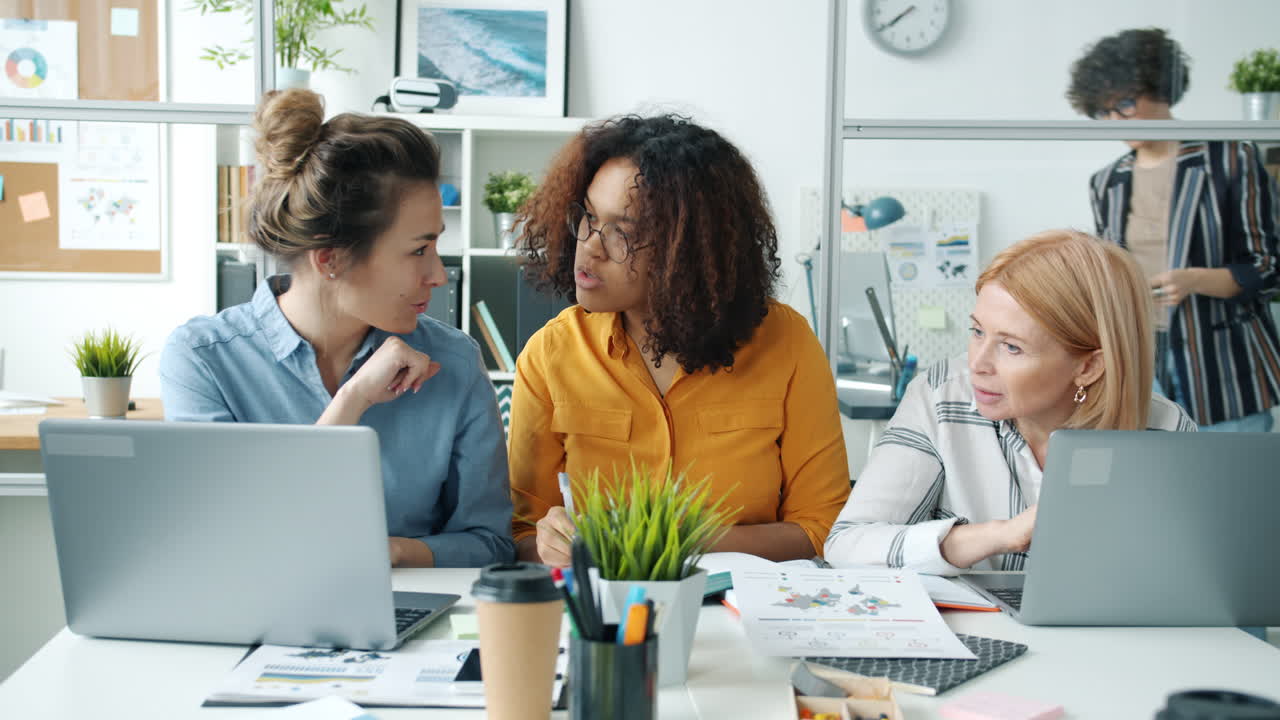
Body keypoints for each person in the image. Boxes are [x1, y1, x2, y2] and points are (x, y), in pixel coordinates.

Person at [159, 89, 513, 568]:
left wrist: (387, 551)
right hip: (255, 624)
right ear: (330, 259)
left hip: (410, 624)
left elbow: (488, 542)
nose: (437, 274)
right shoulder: (204, 360)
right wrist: (353, 400)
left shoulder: (452, 362)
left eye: (436, 247)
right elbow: (231, 541)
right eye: (417, 250)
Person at [508, 114, 850, 568]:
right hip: (602, 611)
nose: (590, 246)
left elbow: (822, 527)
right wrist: (549, 543)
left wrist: (664, 544)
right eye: (589, 217)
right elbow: (519, 533)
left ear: (688, 250)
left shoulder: (787, 344)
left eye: (623, 232)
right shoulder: (551, 354)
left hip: (744, 611)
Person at [824, 230, 1195, 574]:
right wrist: (998, 536)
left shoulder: (1165, 430)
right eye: (977, 331)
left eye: (1011, 346)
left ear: (1089, 366)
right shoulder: (941, 395)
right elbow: (847, 544)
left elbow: (1191, 580)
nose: (977, 364)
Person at [1067, 27, 1280, 431]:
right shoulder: (1107, 182)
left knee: (1231, 489)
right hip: (1144, 360)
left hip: (1224, 366)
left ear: (1161, 91)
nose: (1114, 120)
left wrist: (1195, 279)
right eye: (1103, 111)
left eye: (1126, 104)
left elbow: (1268, 266)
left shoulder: (1229, 159)